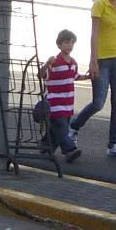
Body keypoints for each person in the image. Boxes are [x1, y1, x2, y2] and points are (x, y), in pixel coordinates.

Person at [72, 0, 116, 157]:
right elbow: (94, 34)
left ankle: (114, 144)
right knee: (98, 103)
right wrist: (93, 61)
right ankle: (74, 127)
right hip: (102, 59)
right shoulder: (100, 5)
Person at [42, 29, 81, 160]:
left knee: (56, 129)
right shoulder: (54, 62)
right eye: (66, 42)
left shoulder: (73, 63)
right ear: (59, 44)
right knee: (61, 128)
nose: (69, 46)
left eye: (72, 43)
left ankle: (46, 145)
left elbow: (75, 76)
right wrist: (47, 64)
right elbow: (42, 75)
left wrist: (89, 76)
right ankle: (69, 150)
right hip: (55, 103)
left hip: (68, 104)